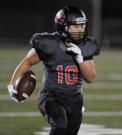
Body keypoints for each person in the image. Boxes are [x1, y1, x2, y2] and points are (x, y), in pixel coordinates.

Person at [7, 6, 100, 135]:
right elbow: (27, 61)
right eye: (76, 26)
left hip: (75, 99)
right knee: (60, 125)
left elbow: (90, 78)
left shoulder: (85, 46)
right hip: (51, 96)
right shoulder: (49, 44)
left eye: (83, 26)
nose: (81, 30)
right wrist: (12, 84)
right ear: (63, 26)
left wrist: (80, 59)